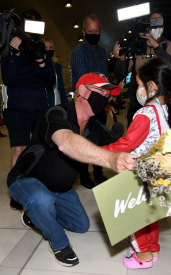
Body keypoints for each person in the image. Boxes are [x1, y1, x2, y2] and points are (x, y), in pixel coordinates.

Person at [7, 73, 136, 267]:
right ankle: (58, 244)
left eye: (107, 94)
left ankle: (34, 215)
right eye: (100, 90)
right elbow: (66, 143)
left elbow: (119, 148)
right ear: (83, 90)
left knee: (81, 225)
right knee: (41, 200)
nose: (105, 97)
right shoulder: (56, 113)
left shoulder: (94, 127)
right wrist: (109, 159)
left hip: (60, 188)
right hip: (26, 180)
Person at [104, 58, 171, 268]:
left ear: (152, 86)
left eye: (139, 85)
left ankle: (143, 256)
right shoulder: (163, 108)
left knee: (135, 217)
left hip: (139, 172)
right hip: (157, 169)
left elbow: (128, 142)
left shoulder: (145, 113)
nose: (138, 90)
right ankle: (153, 249)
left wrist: (101, 152)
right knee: (151, 215)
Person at [1, 9, 55, 210]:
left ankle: (40, 186)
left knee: (41, 149)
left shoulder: (40, 49)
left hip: (39, 106)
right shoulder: (10, 49)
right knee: (19, 149)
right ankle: (16, 192)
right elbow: (8, 79)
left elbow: (50, 81)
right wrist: (14, 55)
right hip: (17, 108)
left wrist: (42, 62)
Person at [113, 11, 171, 126]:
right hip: (138, 106)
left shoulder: (169, 45)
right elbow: (121, 75)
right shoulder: (138, 46)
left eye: (159, 22)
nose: (156, 26)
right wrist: (121, 59)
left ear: (163, 25)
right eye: (153, 22)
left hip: (161, 104)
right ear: (148, 26)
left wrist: (157, 47)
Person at [71, 13, 111, 188]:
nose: (94, 34)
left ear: (100, 31)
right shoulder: (79, 52)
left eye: (97, 31)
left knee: (100, 139)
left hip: (101, 105)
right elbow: (84, 81)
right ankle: (84, 175)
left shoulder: (102, 52)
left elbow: (106, 78)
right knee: (84, 141)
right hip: (85, 107)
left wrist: (107, 102)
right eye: (90, 31)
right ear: (83, 32)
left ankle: (98, 172)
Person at [42, 38, 67, 107]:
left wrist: (65, 104)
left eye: (51, 47)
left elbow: (61, 87)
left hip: (58, 99)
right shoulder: (38, 66)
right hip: (46, 101)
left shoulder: (57, 66)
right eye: (46, 47)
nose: (48, 50)